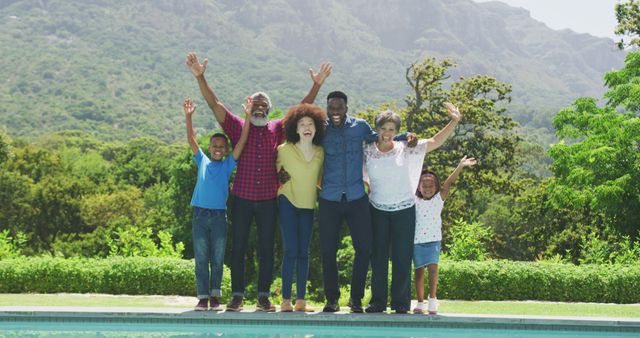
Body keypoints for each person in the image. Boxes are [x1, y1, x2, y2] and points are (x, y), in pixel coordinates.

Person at [185, 52, 331, 311]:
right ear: (249, 105)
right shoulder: (237, 126)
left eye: (264, 104)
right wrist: (200, 77)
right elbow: (214, 103)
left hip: (267, 200)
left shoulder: (277, 129)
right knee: (238, 247)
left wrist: (317, 84)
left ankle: (263, 296)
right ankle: (238, 296)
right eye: (255, 104)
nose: (260, 107)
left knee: (266, 248)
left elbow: (300, 110)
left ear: (269, 108)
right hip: (241, 198)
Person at [316, 91, 416, 313]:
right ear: (327, 108)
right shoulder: (321, 130)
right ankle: (332, 299)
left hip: (356, 198)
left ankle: (356, 299)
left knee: (364, 249)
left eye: (339, 108)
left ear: (346, 107)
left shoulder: (360, 127)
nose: (335, 112)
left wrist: (407, 135)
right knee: (328, 250)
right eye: (331, 108)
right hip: (329, 199)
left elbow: (379, 137)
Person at [363, 103, 460, 314]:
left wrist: (454, 121)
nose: (387, 133)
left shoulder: (407, 148)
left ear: (396, 132)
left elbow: (435, 142)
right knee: (378, 257)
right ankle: (377, 302)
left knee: (402, 257)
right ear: (377, 129)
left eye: (391, 129)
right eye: (383, 128)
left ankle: (400, 303)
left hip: (404, 210)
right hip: (377, 210)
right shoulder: (367, 151)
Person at [183, 97, 251, 311]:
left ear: (226, 149)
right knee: (202, 258)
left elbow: (242, 142)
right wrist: (188, 117)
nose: (218, 149)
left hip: (219, 217)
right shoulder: (201, 160)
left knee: (218, 259)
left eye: (222, 146)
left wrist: (248, 117)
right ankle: (203, 297)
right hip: (200, 216)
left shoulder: (229, 163)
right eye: (215, 146)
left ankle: (215, 297)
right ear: (210, 147)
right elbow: (191, 139)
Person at [276, 104, 326, 312]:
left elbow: (322, 180)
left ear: (316, 129)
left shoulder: (321, 152)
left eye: (310, 124)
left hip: (308, 205)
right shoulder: (283, 149)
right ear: (295, 129)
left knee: (303, 253)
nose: (306, 127)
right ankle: (285, 300)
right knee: (290, 251)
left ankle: (301, 301)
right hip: (287, 201)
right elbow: (273, 172)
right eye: (302, 124)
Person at [413, 156, 477, 315]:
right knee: (419, 272)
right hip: (417, 241)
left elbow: (449, 182)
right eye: (424, 185)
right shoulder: (414, 200)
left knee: (433, 270)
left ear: (436, 187)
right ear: (418, 187)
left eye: (431, 185)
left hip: (434, 241)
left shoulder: (438, 199)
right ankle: (420, 302)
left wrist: (460, 166)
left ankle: (432, 300)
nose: (427, 188)